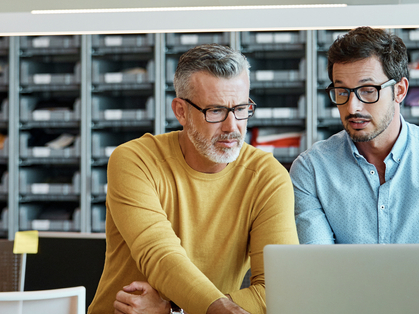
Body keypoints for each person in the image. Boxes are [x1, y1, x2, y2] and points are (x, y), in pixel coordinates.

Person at [88, 44, 299, 314]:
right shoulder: (134, 160)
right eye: (215, 111)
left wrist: (175, 312)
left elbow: (278, 290)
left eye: (241, 108)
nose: (232, 127)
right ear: (181, 111)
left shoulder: (267, 178)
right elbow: (161, 256)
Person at [290, 26, 419, 244]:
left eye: (368, 90)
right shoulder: (312, 169)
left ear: (400, 91)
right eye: (342, 92)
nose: (352, 108)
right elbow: (319, 267)